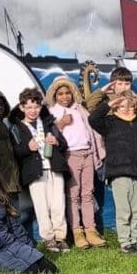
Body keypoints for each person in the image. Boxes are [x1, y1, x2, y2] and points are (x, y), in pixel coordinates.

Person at [89, 91, 137, 253]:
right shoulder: (110, 123)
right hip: (119, 173)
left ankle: (135, 239)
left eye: (130, 107)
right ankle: (125, 242)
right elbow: (93, 119)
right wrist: (108, 104)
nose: (126, 110)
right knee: (124, 210)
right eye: (122, 107)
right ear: (115, 108)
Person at [46, 77, 106, 249]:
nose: (65, 97)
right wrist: (61, 124)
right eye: (60, 94)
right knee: (73, 195)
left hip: (87, 153)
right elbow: (49, 134)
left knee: (87, 193)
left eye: (68, 93)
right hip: (70, 154)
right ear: (54, 95)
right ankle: (77, 231)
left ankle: (91, 230)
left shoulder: (79, 109)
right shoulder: (52, 112)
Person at [11, 87, 69, 252]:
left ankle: (61, 237)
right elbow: (15, 151)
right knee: (41, 206)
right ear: (22, 107)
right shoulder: (17, 127)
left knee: (58, 204)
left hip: (54, 168)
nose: (33, 110)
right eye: (29, 107)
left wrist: (57, 142)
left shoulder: (48, 123)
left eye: (36, 107)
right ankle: (49, 239)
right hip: (34, 171)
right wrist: (27, 148)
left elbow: (63, 144)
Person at [0, 89, 33, 240]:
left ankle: (17, 240)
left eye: (2, 104)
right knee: (6, 212)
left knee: (14, 212)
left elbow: (15, 113)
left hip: (11, 176)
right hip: (2, 177)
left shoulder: (4, 123)